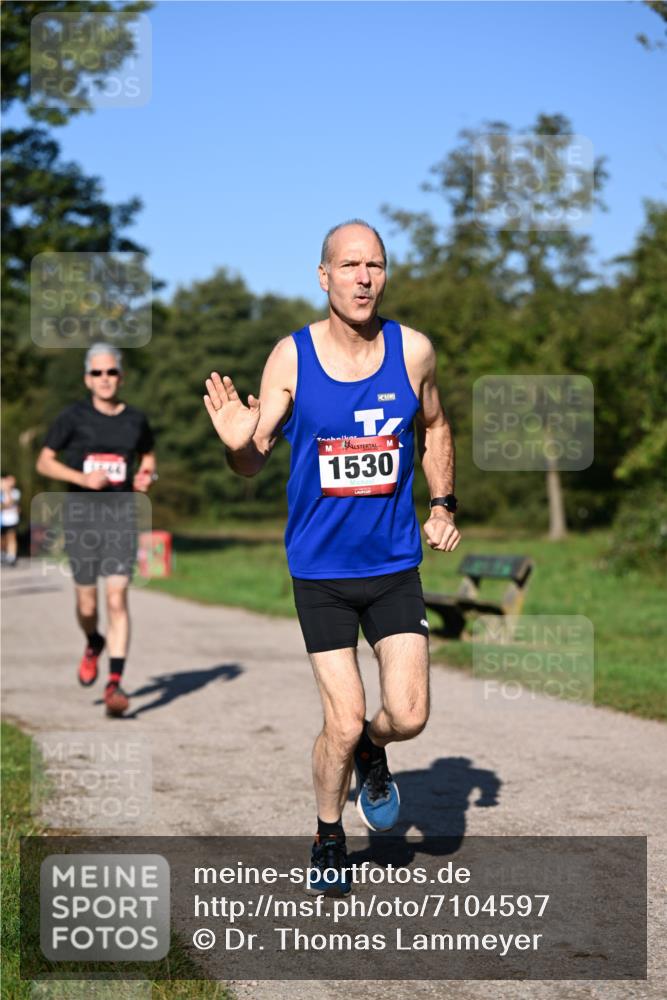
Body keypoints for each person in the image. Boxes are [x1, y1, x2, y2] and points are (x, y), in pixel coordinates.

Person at [204, 220, 460, 895]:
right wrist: (235, 442)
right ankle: (325, 834)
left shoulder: (413, 352)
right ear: (324, 277)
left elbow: (432, 424)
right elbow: (253, 459)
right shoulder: (291, 357)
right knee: (341, 720)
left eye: (374, 264)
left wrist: (441, 505)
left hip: (393, 566)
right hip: (319, 572)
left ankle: (375, 752)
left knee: (405, 715)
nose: (363, 277)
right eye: (349, 265)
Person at [36, 344, 157, 717]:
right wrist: (81, 478)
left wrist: (146, 474)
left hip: (121, 517)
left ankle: (114, 684)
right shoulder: (73, 417)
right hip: (81, 519)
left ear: (121, 376)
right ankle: (93, 641)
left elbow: (148, 455)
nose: (105, 379)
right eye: (97, 373)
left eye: (111, 372)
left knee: (117, 600)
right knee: (87, 605)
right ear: (88, 378)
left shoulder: (135, 420)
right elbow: (44, 462)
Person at [1, 474, 21, 566]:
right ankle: (3, 554)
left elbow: (9, 503)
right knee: (2, 539)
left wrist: (7, 490)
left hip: (12, 519)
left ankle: (11, 556)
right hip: (2, 520)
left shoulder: (16, 492)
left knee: (12, 537)